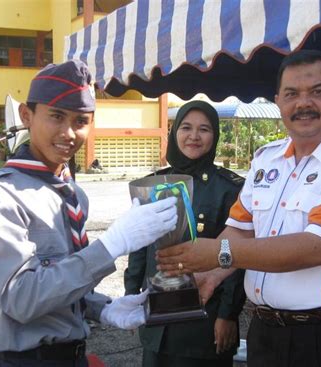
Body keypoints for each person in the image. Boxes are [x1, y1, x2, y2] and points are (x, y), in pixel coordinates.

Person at [156, 50, 321, 367]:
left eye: (317, 92)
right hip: (266, 333)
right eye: (292, 94)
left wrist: (219, 253)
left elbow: (317, 248)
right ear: (278, 101)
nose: (303, 103)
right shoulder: (267, 159)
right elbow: (240, 228)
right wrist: (211, 273)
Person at [0, 60, 178, 367]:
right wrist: (111, 246)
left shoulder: (72, 194)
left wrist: (101, 307)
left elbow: (59, 277)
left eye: (80, 121)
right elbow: (20, 298)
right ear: (27, 115)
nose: (68, 133)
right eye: (56, 116)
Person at [124, 100, 246, 367]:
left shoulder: (230, 189)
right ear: (174, 131)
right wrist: (131, 294)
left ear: (214, 136)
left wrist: (228, 314)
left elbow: (235, 256)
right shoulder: (153, 184)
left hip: (204, 321)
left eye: (204, 129)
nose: (194, 136)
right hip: (157, 319)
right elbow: (139, 244)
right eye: (186, 127)